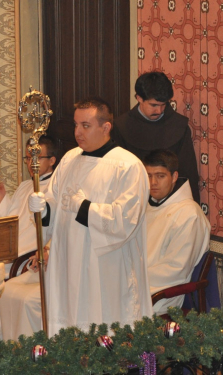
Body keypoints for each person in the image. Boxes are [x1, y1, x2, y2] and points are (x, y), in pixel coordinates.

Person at [28, 97, 152, 335]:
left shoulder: (128, 166)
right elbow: (54, 201)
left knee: (103, 326)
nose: (77, 132)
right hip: (68, 261)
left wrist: (83, 206)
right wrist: (43, 209)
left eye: (85, 126)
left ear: (105, 127)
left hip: (106, 268)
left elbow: (125, 221)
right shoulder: (70, 159)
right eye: (76, 125)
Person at [111, 71, 200, 203]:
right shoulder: (121, 127)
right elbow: (117, 173)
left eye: (163, 105)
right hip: (134, 200)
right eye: (154, 105)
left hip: (171, 202)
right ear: (139, 98)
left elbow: (188, 172)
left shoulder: (179, 126)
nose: (159, 111)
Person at [143, 149, 210, 315]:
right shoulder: (145, 207)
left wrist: (130, 279)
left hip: (161, 295)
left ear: (174, 177)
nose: (153, 182)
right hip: (137, 284)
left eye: (160, 176)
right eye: (148, 176)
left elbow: (176, 268)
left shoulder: (189, 214)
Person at [0, 135, 58, 277]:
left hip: (25, 252)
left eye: (37, 158)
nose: (31, 163)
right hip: (9, 246)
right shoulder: (25, 185)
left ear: (52, 160)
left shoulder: (55, 188)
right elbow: (12, 217)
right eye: (28, 158)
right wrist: (1, 201)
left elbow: (56, 226)